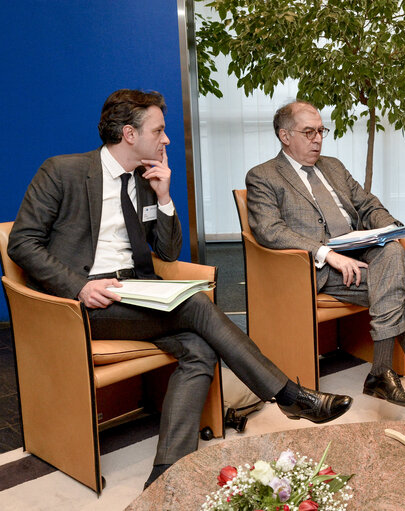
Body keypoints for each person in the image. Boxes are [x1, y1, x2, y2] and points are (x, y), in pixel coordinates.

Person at [8, 89, 353, 489]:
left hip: (137, 293)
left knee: (200, 347)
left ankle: (166, 473)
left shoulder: (143, 180)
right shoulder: (62, 171)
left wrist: (165, 196)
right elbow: (22, 243)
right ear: (129, 134)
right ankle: (290, 395)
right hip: (83, 303)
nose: (166, 139)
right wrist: (80, 287)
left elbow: (167, 252)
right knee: (195, 303)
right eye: (159, 130)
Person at [246, 100, 405, 429]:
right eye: (309, 132)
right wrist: (327, 254)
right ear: (285, 136)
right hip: (315, 269)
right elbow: (269, 231)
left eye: (321, 131)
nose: (318, 139)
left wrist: (389, 229)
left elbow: (368, 205)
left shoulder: (333, 167)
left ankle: (383, 373)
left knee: (393, 250)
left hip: (361, 253)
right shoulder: (264, 176)